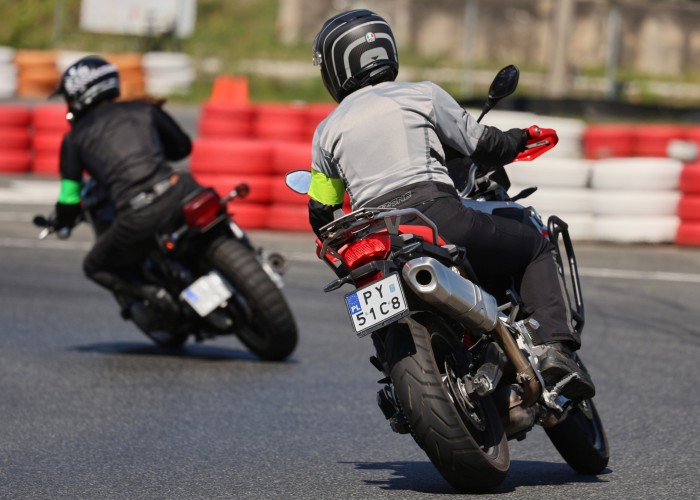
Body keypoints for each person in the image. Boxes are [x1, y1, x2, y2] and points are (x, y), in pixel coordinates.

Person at [307, 9, 594, 400]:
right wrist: (519, 138)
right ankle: (555, 350)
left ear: (336, 68)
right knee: (535, 244)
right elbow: (482, 145)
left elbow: (320, 211)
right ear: (385, 50)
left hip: (373, 238)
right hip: (435, 214)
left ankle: (395, 380)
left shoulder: (326, 131)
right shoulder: (421, 93)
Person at [49, 55, 202, 314]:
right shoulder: (144, 109)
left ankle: (156, 294)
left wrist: (62, 221)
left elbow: (69, 198)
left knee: (95, 266)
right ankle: (254, 258)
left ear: (77, 97)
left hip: (138, 212)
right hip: (180, 188)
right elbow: (182, 147)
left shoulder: (74, 140)